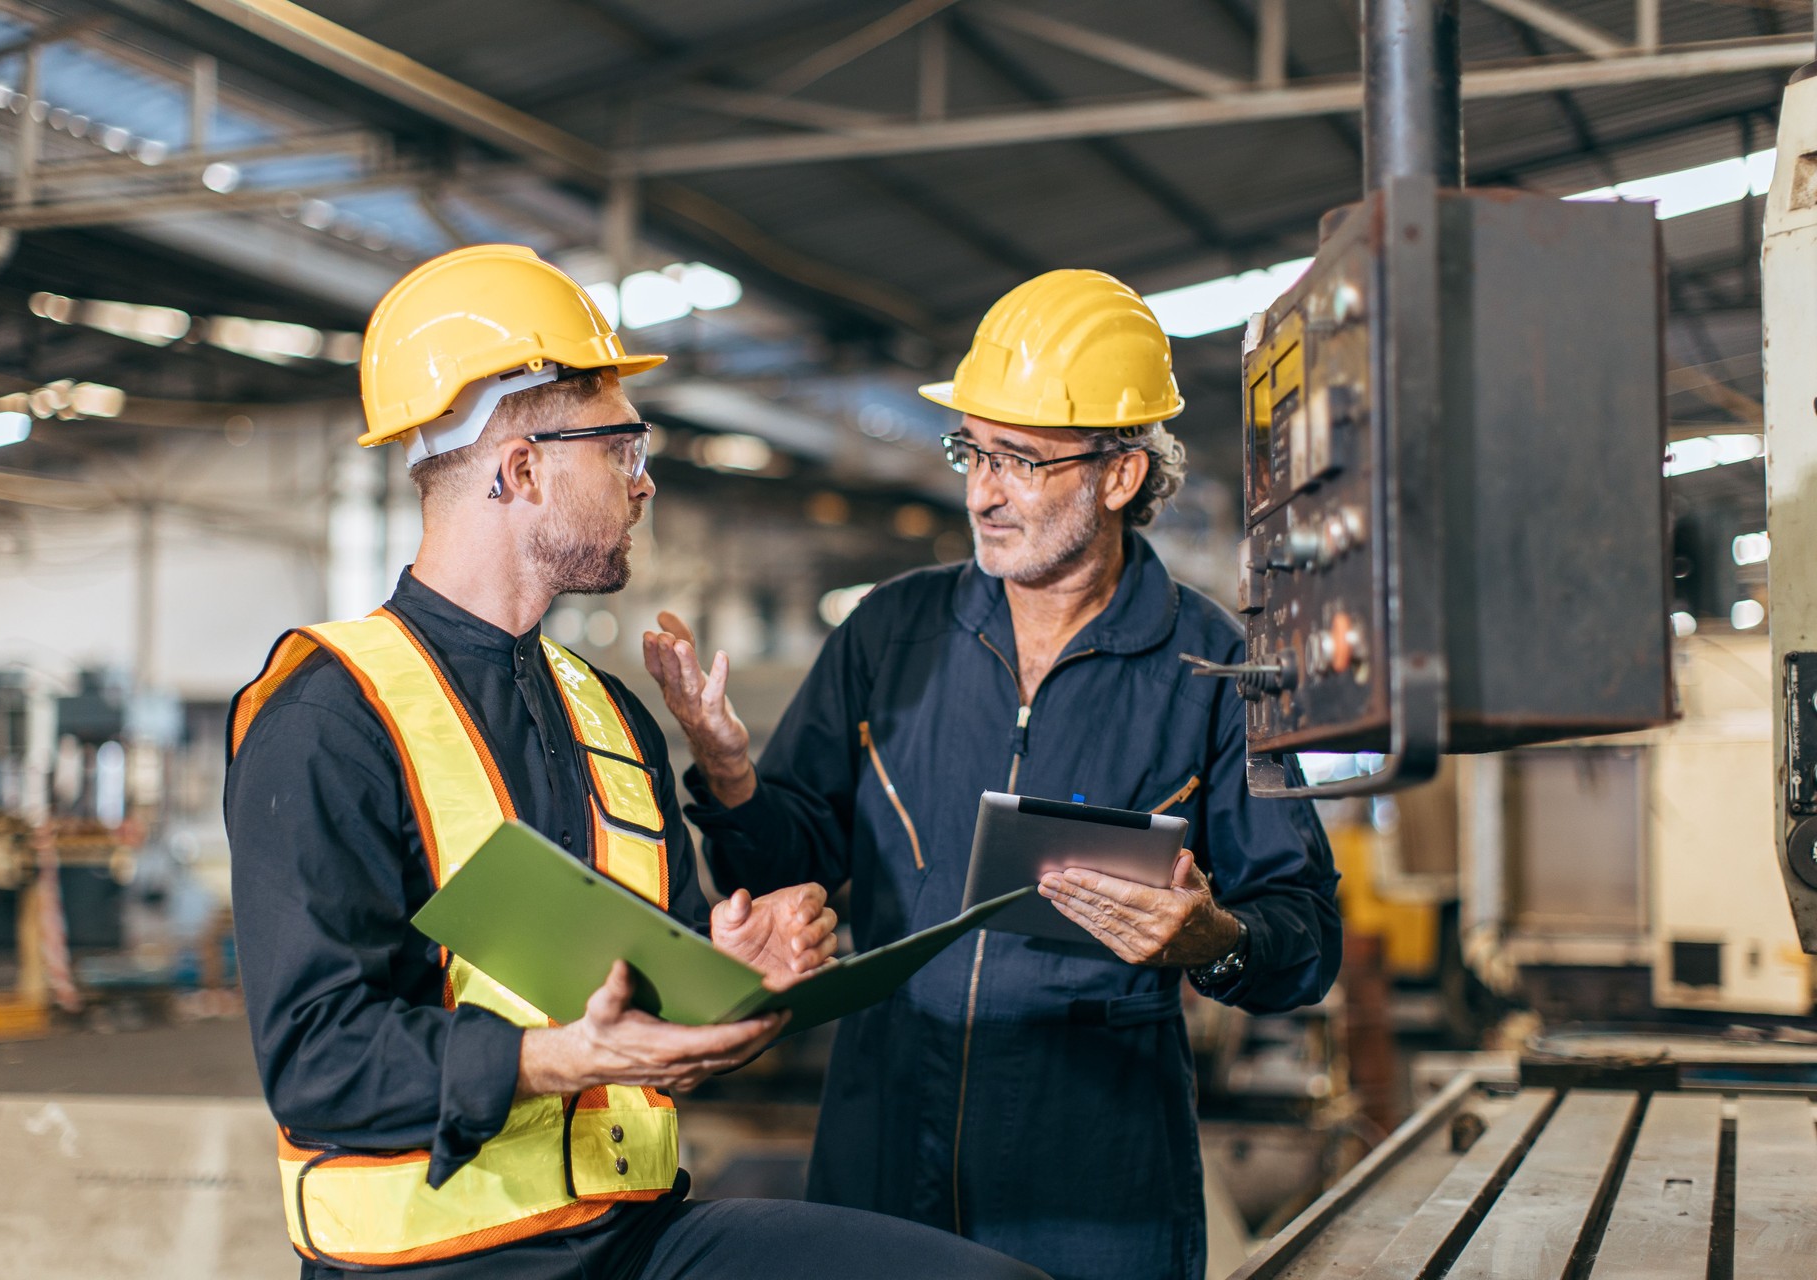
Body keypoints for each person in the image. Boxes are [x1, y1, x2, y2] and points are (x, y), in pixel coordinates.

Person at [225, 244, 1046, 1280]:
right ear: (520, 468)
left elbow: (651, 1007)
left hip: (633, 1238)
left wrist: (730, 975)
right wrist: (553, 1055)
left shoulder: (610, 711)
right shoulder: (328, 713)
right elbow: (314, 1060)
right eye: (621, 447)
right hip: (435, 1262)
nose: (644, 479)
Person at [645, 269, 1343, 1280]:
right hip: (880, 1146)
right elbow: (793, 860)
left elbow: (1304, 934)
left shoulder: (1214, 670)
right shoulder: (892, 631)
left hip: (1092, 1184)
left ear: (1119, 475)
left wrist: (1215, 940)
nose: (982, 488)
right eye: (972, 448)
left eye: (1020, 457)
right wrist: (733, 773)